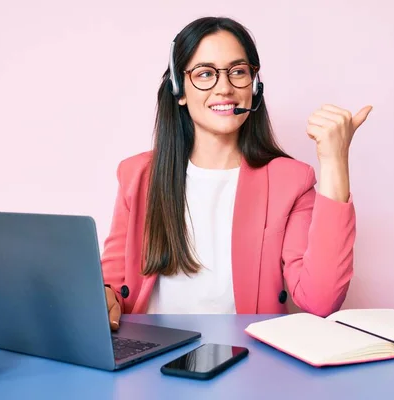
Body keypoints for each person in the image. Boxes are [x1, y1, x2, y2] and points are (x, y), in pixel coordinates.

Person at [101, 16, 372, 331]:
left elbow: (321, 300)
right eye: (205, 74)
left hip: (247, 359)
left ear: (254, 86)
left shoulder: (292, 181)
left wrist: (335, 160)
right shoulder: (136, 174)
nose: (225, 88)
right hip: (151, 357)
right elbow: (113, 281)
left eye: (238, 72)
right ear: (180, 89)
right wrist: (105, 297)